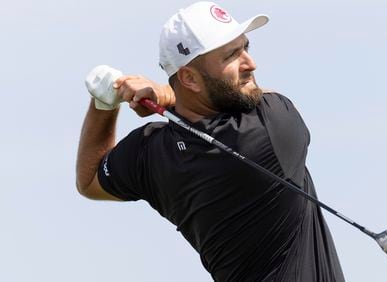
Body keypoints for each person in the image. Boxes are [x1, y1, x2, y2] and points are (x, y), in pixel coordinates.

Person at [76, 1, 345, 281]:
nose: (250, 64)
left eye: (245, 48)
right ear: (189, 78)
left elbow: (90, 182)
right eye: (231, 56)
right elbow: (261, 98)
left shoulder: (152, 154)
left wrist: (104, 104)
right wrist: (165, 97)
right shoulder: (271, 129)